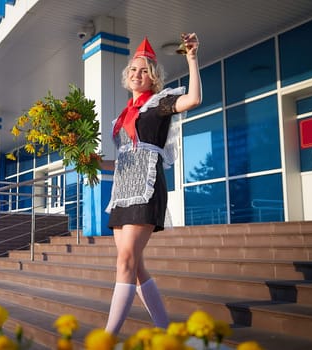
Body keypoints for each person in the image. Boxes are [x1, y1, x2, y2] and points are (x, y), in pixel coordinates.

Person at [103, 33, 202, 335]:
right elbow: (122, 159)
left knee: (126, 260)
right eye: (133, 69)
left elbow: (194, 99)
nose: (137, 74)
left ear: (154, 78)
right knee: (135, 269)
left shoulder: (159, 104)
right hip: (122, 192)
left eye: (144, 70)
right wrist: (94, 163)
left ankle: (106, 339)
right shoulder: (122, 118)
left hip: (146, 190)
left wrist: (192, 58)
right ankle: (167, 330)